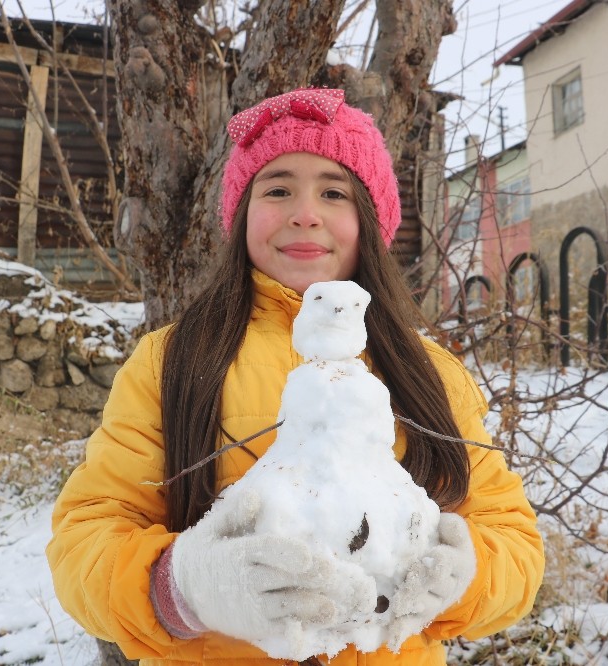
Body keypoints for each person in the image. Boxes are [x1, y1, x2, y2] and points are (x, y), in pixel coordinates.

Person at [46, 87, 544, 665]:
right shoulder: (172, 361)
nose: (305, 213)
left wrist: (463, 576)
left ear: (370, 220)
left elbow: (515, 543)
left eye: (334, 192)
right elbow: (86, 540)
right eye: (278, 189)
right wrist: (187, 589)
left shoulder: (429, 373)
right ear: (241, 215)